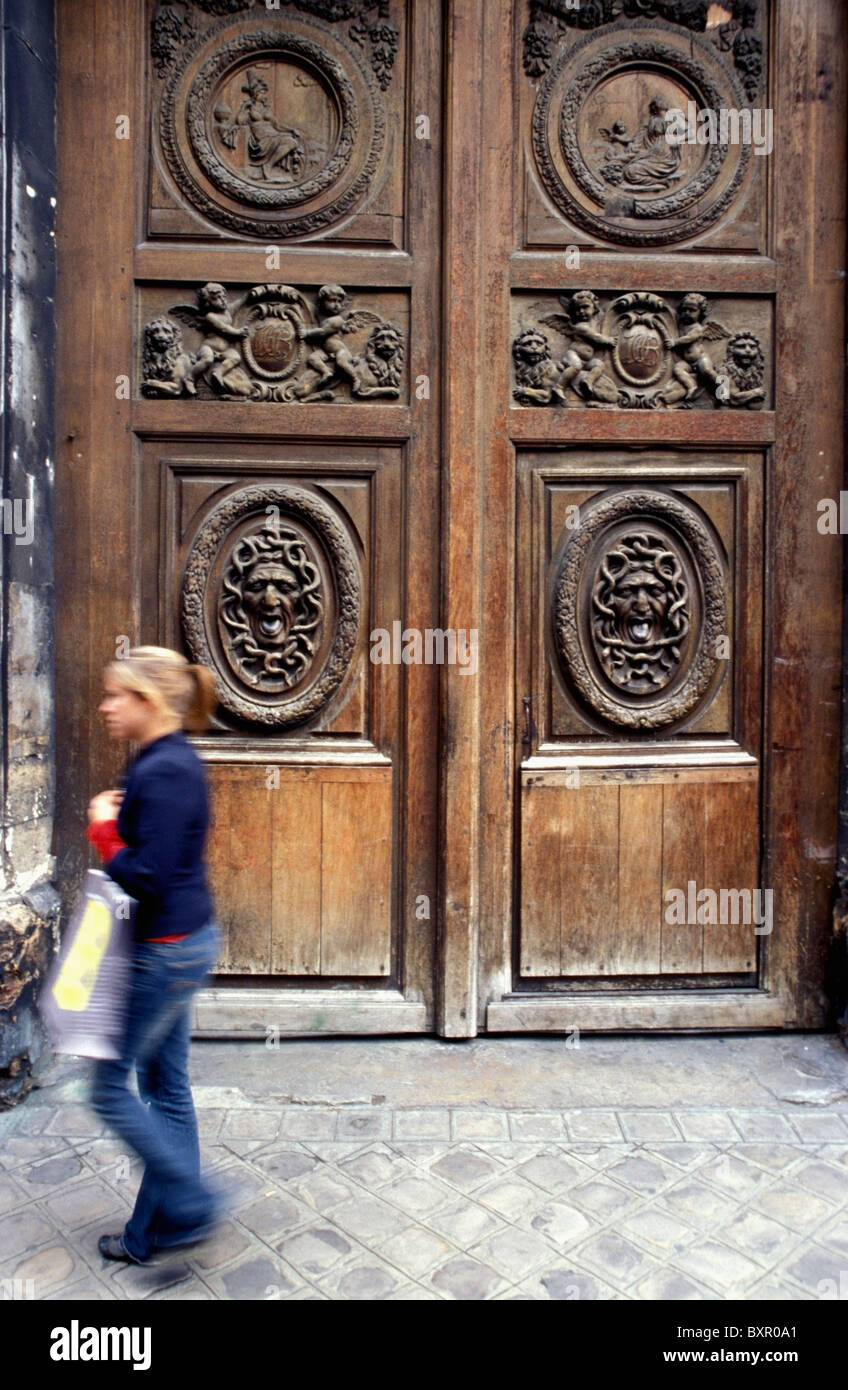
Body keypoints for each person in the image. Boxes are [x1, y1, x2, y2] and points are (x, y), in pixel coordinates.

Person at [86, 646, 223, 1265]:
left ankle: (191, 1201)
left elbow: (150, 876)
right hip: (183, 945)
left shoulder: (164, 769)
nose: (106, 706)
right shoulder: (167, 761)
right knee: (167, 1089)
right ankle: (157, 1232)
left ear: (148, 702)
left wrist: (104, 832)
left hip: (167, 953)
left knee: (109, 1090)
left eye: (117, 695)